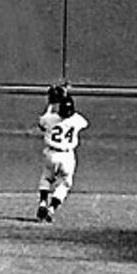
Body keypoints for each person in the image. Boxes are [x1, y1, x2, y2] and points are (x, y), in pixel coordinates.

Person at [35, 91, 89, 223]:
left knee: (46, 177)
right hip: (67, 156)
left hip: (51, 154)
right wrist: (65, 95)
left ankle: (43, 202)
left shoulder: (50, 119)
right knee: (65, 183)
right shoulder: (77, 120)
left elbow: (41, 123)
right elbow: (84, 123)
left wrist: (51, 104)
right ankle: (51, 209)